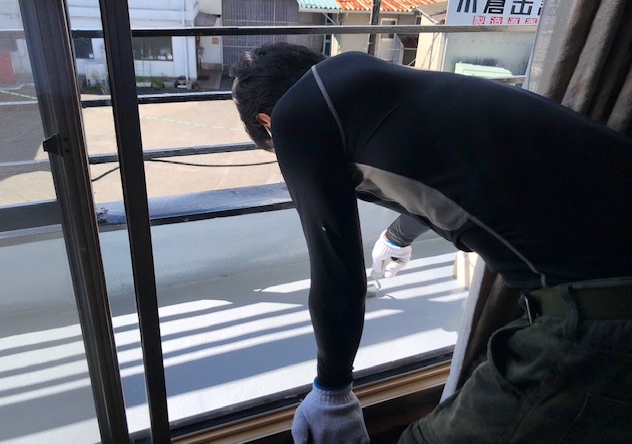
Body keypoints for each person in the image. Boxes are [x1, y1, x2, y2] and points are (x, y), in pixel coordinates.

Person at [230, 42, 632, 443]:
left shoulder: (296, 117)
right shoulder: (375, 82)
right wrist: (398, 235)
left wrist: (331, 390)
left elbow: (337, 270)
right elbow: (456, 171)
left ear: (267, 121)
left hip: (600, 300)